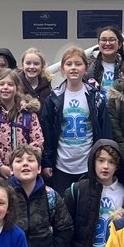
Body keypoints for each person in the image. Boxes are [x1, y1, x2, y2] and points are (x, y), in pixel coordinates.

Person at [9, 143, 72, 247]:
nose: (25, 164)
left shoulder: (50, 195)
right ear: (11, 168)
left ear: (39, 169)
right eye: (19, 161)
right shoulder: (3, 195)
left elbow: (65, 227)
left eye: (31, 160)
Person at [64, 139, 124, 247]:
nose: (105, 166)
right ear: (93, 161)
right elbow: (66, 226)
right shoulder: (78, 189)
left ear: (117, 166)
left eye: (111, 162)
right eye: (101, 160)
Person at [41, 45, 112, 194]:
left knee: (85, 208)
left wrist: (104, 158)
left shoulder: (95, 97)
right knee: (63, 209)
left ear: (86, 69)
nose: (73, 68)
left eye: (78, 64)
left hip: (87, 164)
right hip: (61, 165)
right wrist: (46, 162)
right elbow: (46, 132)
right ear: (62, 69)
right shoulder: (54, 98)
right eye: (69, 64)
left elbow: (104, 129)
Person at [0, 69, 43, 180]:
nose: (6, 87)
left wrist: (24, 163)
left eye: (10, 84)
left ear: (17, 88)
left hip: (23, 172)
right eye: (2, 84)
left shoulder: (28, 114)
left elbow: (37, 141)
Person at [87, 26, 124, 95]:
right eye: (103, 40)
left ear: (119, 44)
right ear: (98, 43)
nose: (107, 43)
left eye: (112, 40)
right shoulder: (88, 66)